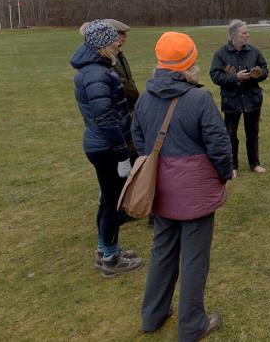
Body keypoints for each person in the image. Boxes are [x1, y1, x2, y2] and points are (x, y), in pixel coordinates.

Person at [134, 32, 235, 340]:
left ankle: (152, 314)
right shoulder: (199, 98)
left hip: (161, 190)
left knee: (162, 251)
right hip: (194, 194)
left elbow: (139, 141)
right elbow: (219, 146)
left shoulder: (144, 98)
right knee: (194, 258)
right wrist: (224, 173)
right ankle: (192, 325)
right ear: (190, 63)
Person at [70, 19, 144, 278]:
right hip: (107, 147)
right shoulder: (96, 74)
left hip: (102, 145)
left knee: (107, 200)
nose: (118, 42)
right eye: (113, 38)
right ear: (102, 43)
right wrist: (123, 154)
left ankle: (106, 250)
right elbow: (106, 119)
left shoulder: (96, 68)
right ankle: (112, 260)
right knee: (113, 203)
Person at [209, 20, 269, 175]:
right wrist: (235, 77)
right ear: (233, 35)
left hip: (252, 99)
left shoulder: (254, 52)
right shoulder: (220, 54)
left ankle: (254, 164)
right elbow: (215, 76)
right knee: (230, 135)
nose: (247, 35)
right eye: (244, 33)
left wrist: (259, 74)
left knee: (252, 133)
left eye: (247, 32)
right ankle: (232, 166)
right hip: (231, 100)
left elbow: (265, 69)